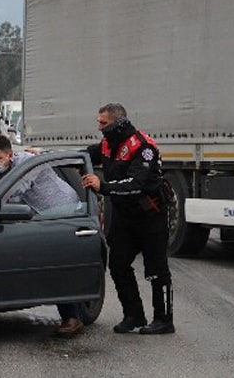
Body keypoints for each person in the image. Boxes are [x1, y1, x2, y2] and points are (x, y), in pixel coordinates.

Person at [0, 134, 85, 337]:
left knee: (56, 264)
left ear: (10, 155)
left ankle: (72, 317)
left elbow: (9, 193)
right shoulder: (5, 167)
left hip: (61, 212)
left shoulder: (26, 165)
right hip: (39, 214)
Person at [82, 103, 175, 335]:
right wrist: (42, 155)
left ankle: (164, 320)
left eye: (103, 123)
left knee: (157, 269)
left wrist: (102, 186)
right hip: (125, 217)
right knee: (118, 264)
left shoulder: (143, 147)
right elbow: (83, 155)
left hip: (150, 216)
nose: (99, 127)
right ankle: (134, 315)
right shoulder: (107, 144)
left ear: (117, 123)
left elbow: (136, 184)